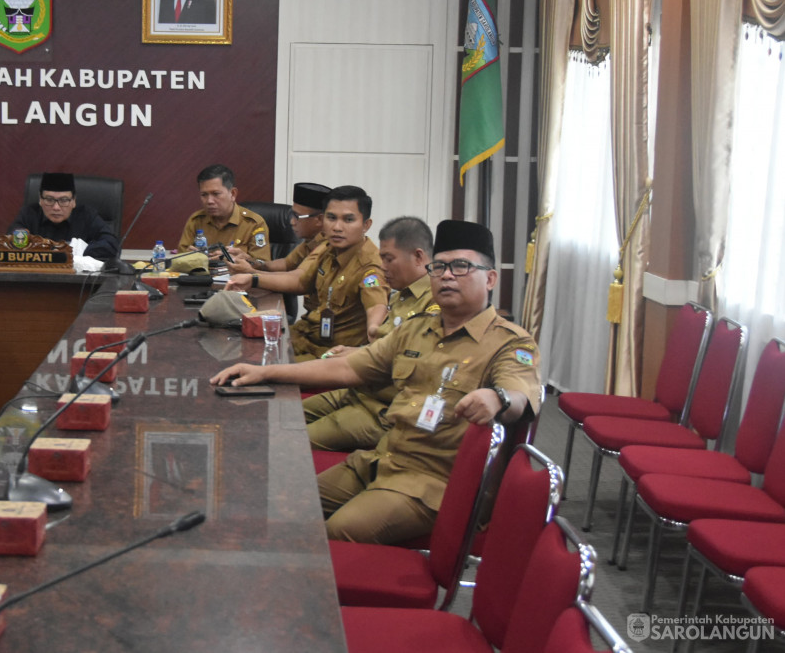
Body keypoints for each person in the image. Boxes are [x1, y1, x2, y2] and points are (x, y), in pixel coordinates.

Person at [213, 220, 540, 544]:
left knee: (335, 534)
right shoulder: (417, 329)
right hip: (382, 460)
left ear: (491, 278)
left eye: (461, 266)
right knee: (282, 504)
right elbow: (348, 370)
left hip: (434, 483)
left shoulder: (511, 343)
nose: (447, 275)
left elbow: (520, 393)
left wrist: (497, 398)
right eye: (439, 267)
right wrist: (265, 372)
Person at [303, 216, 436, 451]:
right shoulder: (401, 296)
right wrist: (358, 350)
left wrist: (360, 354)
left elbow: (408, 363)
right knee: (285, 416)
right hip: (358, 391)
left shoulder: (434, 305)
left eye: (389, 259)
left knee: (290, 440)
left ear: (418, 256)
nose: (382, 266)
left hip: (380, 409)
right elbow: (385, 346)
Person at [225, 185, 388, 362]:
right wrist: (253, 277)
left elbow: (376, 313)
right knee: (236, 344)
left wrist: (371, 342)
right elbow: (301, 281)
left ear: (366, 225)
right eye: (331, 218)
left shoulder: (371, 268)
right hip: (304, 337)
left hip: (327, 355)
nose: (337, 227)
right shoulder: (328, 248)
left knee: (257, 366)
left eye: (348, 220)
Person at [9, 172, 121, 261]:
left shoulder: (87, 216)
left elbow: (111, 245)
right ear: (40, 199)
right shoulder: (29, 214)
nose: (56, 207)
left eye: (64, 200)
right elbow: (10, 243)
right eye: (49, 200)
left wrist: (77, 252)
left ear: (73, 201)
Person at [225, 181, 330, 274]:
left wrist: (252, 273)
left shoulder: (326, 246)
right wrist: (251, 262)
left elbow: (296, 281)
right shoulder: (310, 241)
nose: (292, 222)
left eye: (297, 216)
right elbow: (285, 264)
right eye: (292, 215)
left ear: (319, 220)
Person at [177, 164, 271, 262]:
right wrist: (187, 256)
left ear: (233, 194)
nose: (209, 201)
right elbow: (179, 261)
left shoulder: (253, 223)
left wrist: (241, 259)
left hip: (237, 276)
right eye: (204, 195)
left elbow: (263, 266)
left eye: (216, 194)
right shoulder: (196, 221)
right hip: (203, 276)